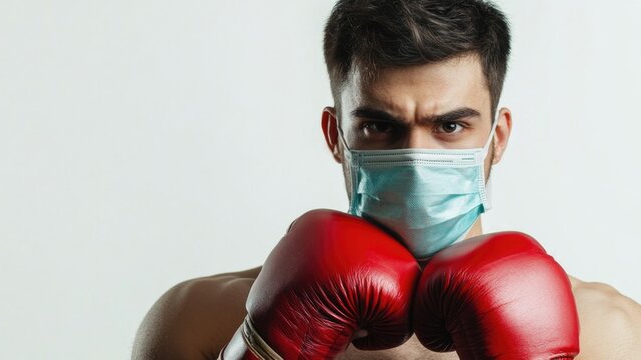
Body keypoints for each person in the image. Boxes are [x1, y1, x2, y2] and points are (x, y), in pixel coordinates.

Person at [132, 0, 641, 359]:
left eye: (450, 125)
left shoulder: (609, 336)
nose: (416, 158)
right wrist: (263, 352)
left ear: (498, 137)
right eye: (379, 126)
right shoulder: (199, 322)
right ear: (336, 135)